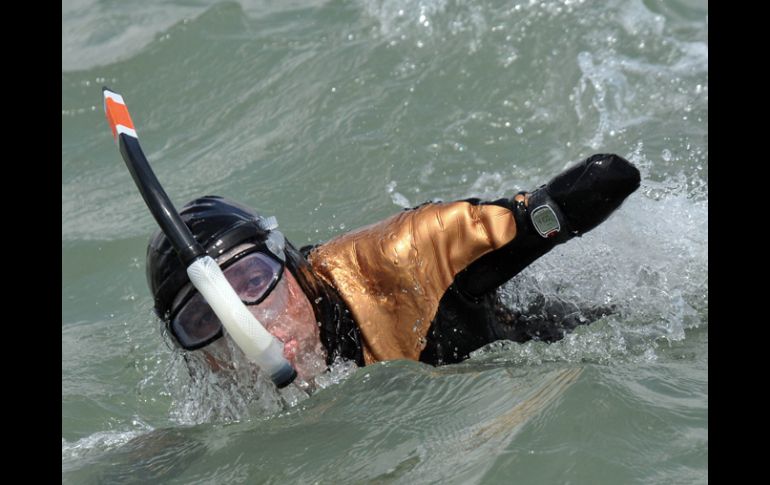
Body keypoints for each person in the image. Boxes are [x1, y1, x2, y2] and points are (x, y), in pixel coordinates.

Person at [147, 153, 640, 383]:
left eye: (254, 281)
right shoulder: (222, 391)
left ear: (291, 264)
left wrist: (549, 214)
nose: (246, 326)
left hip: (564, 358)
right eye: (204, 321)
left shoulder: (409, 259)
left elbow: (608, 177)